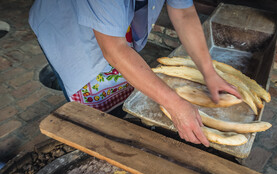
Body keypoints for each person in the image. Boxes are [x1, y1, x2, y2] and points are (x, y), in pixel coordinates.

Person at [29, 0, 241, 147]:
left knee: (126, 87)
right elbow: (114, 49)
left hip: (113, 32)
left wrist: (209, 72)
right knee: (95, 118)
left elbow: (184, 12)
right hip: (71, 33)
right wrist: (174, 104)